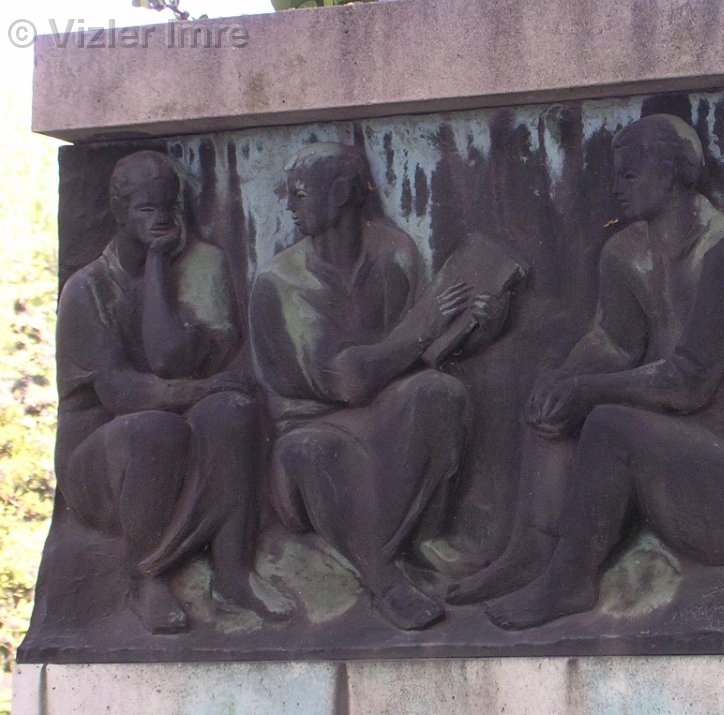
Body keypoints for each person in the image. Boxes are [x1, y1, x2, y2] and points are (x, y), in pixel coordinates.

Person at [459, 115, 724, 629]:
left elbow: (688, 382)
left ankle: (569, 583)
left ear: (669, 175)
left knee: (607, 423)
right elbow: (614, 342)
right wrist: (564, 381)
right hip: (684, 458)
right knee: (557, 398)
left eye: (628, 175)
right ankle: (529, 553)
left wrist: (586, 391)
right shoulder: (626, 252)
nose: (615, 189)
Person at [249, 142, 507, 630]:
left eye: (299, 193)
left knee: (439, 392)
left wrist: (479, 328)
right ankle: (384, 580)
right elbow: (348, 380)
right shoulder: (279, 282)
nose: (289, 205)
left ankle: (424, 536)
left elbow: (424, 355)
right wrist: (425, 326)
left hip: (385, 413)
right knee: (315, 452)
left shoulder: (396, 253)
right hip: (310, 430)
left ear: (341, 193)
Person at [55, 150, 293, 634]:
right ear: (119, 212)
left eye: (169, 207)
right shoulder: (87, 290)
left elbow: (171, 355)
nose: (161, 219)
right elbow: (122, 394)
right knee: (154, 430)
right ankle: (148, 578)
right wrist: (158, 264)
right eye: (147, 209)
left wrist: (159, 270)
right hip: (99, 467)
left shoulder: (202, 266)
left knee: (233, 411)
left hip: (177, 429)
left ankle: (233, 573)